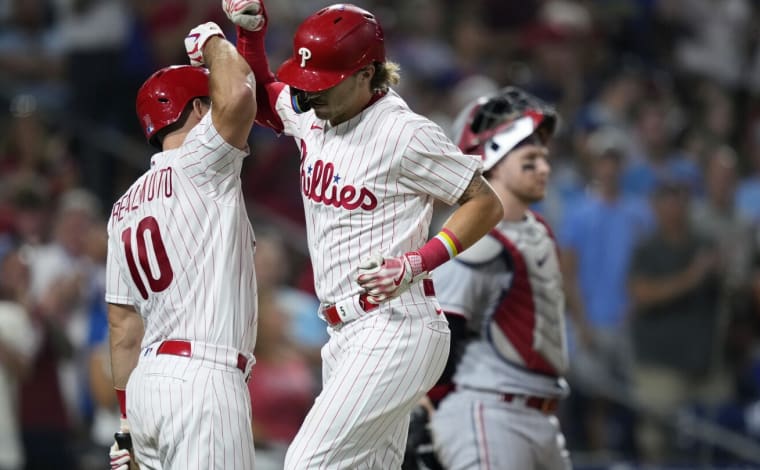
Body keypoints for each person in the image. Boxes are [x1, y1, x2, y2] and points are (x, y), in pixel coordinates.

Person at [223, 2, 504, 468]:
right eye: (309, 80)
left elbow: (484, 202)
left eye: (326, 81)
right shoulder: (317, 107)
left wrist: (420, 260)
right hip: (344, 333)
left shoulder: (404, 133)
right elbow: (268, 102)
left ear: (367, 73)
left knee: (306, 463)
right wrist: (250, 37)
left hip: (396, 326)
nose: (312, 93)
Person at [105, 21, 258, 470]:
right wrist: (212, 40)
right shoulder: (201, 159)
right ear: (196, 109)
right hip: (204, 382)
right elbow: (240, 96)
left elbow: (122, 328)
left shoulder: (121, 208)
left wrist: (127, 423)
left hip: (147, 389)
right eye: (207, 105)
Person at [422, 87, 572, 469]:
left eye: (544, 157)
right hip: (489, 411)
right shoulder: (476, 239)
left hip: (537, 416)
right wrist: (426, 408)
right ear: (490, 157)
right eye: (530, 158)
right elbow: (441, 333)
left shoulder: (535, 229)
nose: (544, 167)